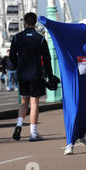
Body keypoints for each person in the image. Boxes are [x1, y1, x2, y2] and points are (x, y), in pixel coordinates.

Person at [10, 12, 54, 142]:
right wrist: (50, 76)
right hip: (35, 74)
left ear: (24, 22)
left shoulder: (17, 37)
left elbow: (12, 56)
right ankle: (33, 133)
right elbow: (47, 59)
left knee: (24, 102)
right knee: (34, 102)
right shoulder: (40, 38)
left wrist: (19, 65)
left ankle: (19, 124)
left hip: (22, 74)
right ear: (35, 22)